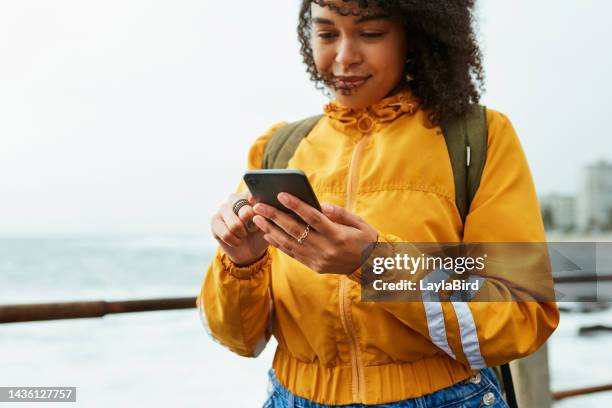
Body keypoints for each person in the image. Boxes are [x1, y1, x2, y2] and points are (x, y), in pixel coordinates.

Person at [197, 0, 560, 406]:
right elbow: (237, 339)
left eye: (370, 34)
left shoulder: (479, 138)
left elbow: (522, 318)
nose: (345, 57)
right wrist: (242, 263)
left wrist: (374, 264)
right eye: (327, 33)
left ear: (415, 36)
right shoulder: (280, 148)